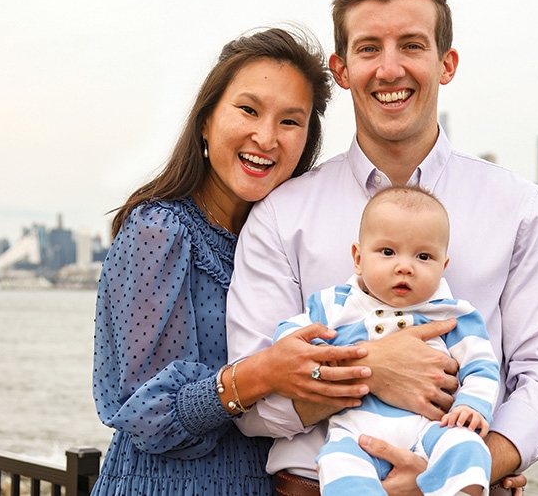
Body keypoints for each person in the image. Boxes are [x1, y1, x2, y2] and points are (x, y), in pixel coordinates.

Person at [227, 0, 538, 496]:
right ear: (342, 70)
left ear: (447, 63)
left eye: (412, 45)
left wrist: (466, 469)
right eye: (369, 49)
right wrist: (375, 369)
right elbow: (252, 400)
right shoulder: (280, 215)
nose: (390, 69)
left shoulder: (521, 209)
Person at [91, 27, 376, 496]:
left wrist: (463, 452)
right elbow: (143, 409)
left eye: (290, 121)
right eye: (248, 110)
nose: (265, 137)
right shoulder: (159, 229)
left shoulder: (281, 241)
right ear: (206, 120)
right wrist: (263, 372)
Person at [274, 186, 500, 496]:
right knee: (336, 462)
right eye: (388, 252)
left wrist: (473, 404)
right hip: (356, 435)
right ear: (358, 258)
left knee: (468, 447)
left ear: (443, 266)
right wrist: (324, 357)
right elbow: (288, 339)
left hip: (431, 431)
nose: (404, 266)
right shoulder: (333, 305)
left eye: (423, 256)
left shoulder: (452, 314)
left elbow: (482, 366)